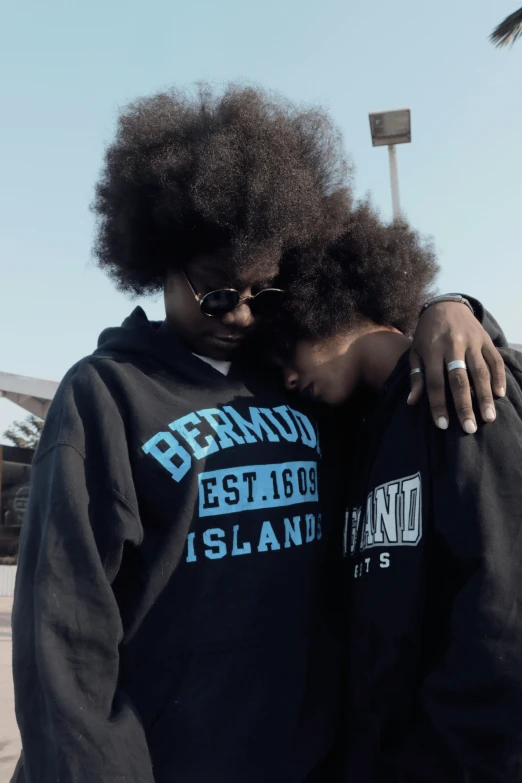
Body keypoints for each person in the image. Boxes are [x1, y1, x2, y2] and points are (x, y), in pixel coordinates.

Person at [11, 85, 505, 783]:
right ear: (157, 262)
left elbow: (392, 359)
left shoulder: (298, 384)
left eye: (261, 293)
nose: (240, 315)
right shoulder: (104, 396)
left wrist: (450, 306)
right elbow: (63, 643)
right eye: (216, 291)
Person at [269, 200, 522, 782]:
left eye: (285, 347)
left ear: (321, 299)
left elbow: (502, 616)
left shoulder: (463, 385)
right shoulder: (354, 438)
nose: (284, 377)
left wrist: (451, 308)